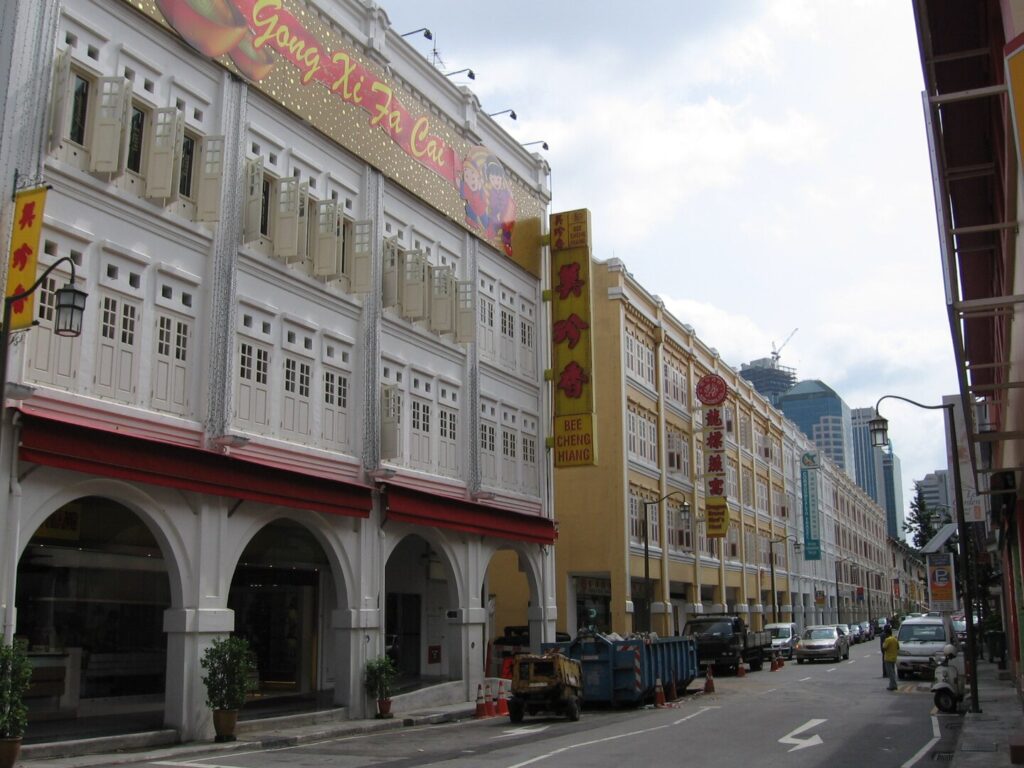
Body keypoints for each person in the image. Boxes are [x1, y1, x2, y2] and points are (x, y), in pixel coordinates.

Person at [882, 626, 899, 691]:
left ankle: (893, 685)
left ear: (887, 633)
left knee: (890, 673)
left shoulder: (887, 639)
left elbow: (884, 648)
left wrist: (884, 643)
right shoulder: (895, 639)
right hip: (894, 657)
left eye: (886, 633)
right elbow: (898, 647)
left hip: (888, 658)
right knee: (893, 672)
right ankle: (893, 684)